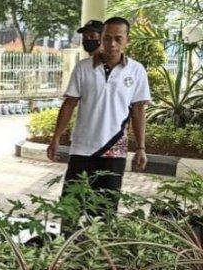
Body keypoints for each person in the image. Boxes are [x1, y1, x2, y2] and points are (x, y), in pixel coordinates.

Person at [47, 16, 151, 226]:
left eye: (118, 39)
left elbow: (138, 110)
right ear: (101, 38)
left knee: (106, 208)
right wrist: (56, 138)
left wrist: (141, 147)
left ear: (127, 40)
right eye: (107, 38)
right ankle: (67, 251)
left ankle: (97, 253)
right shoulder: (83, 68)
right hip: (82, 149)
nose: (112, 44)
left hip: (115, 150)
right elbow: (69, 104)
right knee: (71, 205)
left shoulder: (136, 70)